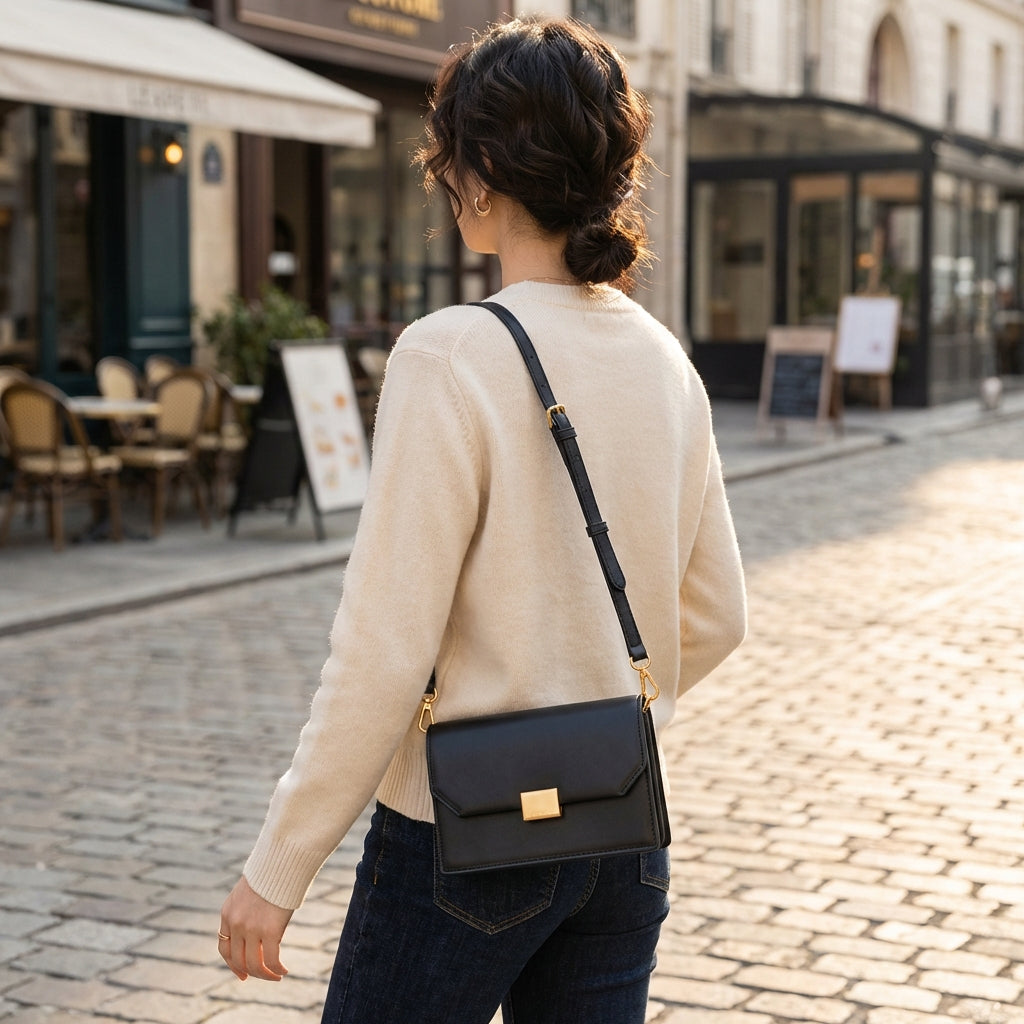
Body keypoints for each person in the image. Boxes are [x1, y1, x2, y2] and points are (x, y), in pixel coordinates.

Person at [219, 16, 747, 1023]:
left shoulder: (446, 355)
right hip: (621, 823)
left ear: (486, 167)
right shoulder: (664, 360)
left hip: (461, 833)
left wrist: (275, 869)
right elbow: (718, 617)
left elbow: (382, 652)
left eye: (448, 154)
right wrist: (598, 698)